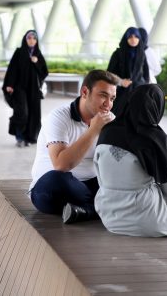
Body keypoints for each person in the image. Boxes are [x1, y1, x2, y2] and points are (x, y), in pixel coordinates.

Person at [94, 84, 167, 243]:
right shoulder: (154, 138)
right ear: (157, 107)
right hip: (146, 217)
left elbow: (101, 177)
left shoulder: (106, 132)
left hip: (110, 217)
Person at [30, 69, 119, 224]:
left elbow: (117, 162)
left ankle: (87, 210)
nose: (108, 104)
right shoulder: (58, 117)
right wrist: (93, 130)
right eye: (103, 95)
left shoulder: (110, 121)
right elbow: (61, 165)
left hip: (90, 185)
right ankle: (103, 207)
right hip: (58, 186)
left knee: (128, 182)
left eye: (112, 98)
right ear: (85, 92)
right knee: (54, 181)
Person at [2, 30, 49, 147]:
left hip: (33, 90)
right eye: (29, 38)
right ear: (25, 39)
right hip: (19, 88)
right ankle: (19, 137)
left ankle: (29, 137)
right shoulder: (19, 52)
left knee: (33, 113)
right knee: (22, 112)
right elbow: (12, 69)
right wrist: (9, 84)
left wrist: (37, 62)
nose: (31, 40)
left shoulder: (38, 54)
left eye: (34, 38)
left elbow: (44, 72)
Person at [107, 27, 150, 117]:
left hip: (138, 91)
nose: (133, 39)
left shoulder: (141, 54)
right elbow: (109, 73)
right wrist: (121, 82)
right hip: (120, 92)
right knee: (116, 117)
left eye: (136, 37)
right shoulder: (118, 53)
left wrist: (145, 87)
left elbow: (146, 73)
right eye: (130, 37)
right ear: (126, 38)